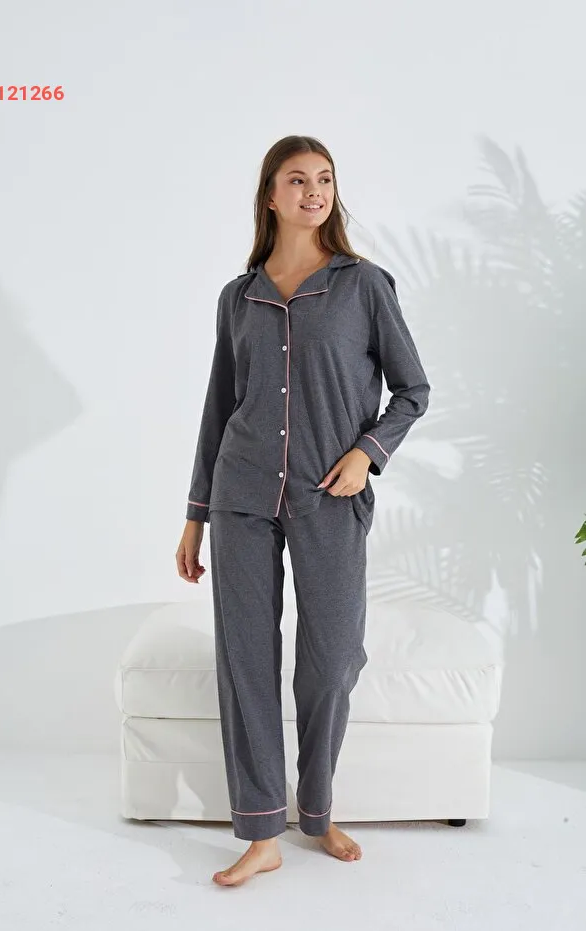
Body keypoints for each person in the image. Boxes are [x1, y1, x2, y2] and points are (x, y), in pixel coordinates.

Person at [176, 135, 431, 886]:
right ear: (271, 195)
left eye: (324, 179)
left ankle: (315, 811)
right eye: (297, 180)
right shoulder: (239, 297)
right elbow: (219, 408)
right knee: (245, 661)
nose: (313, 191)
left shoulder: (363, 285)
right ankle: (261, 833)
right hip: (242, 494)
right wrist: (194, 515)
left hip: (330, 495)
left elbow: (412, 390)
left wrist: (367, 453)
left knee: (333, 655)